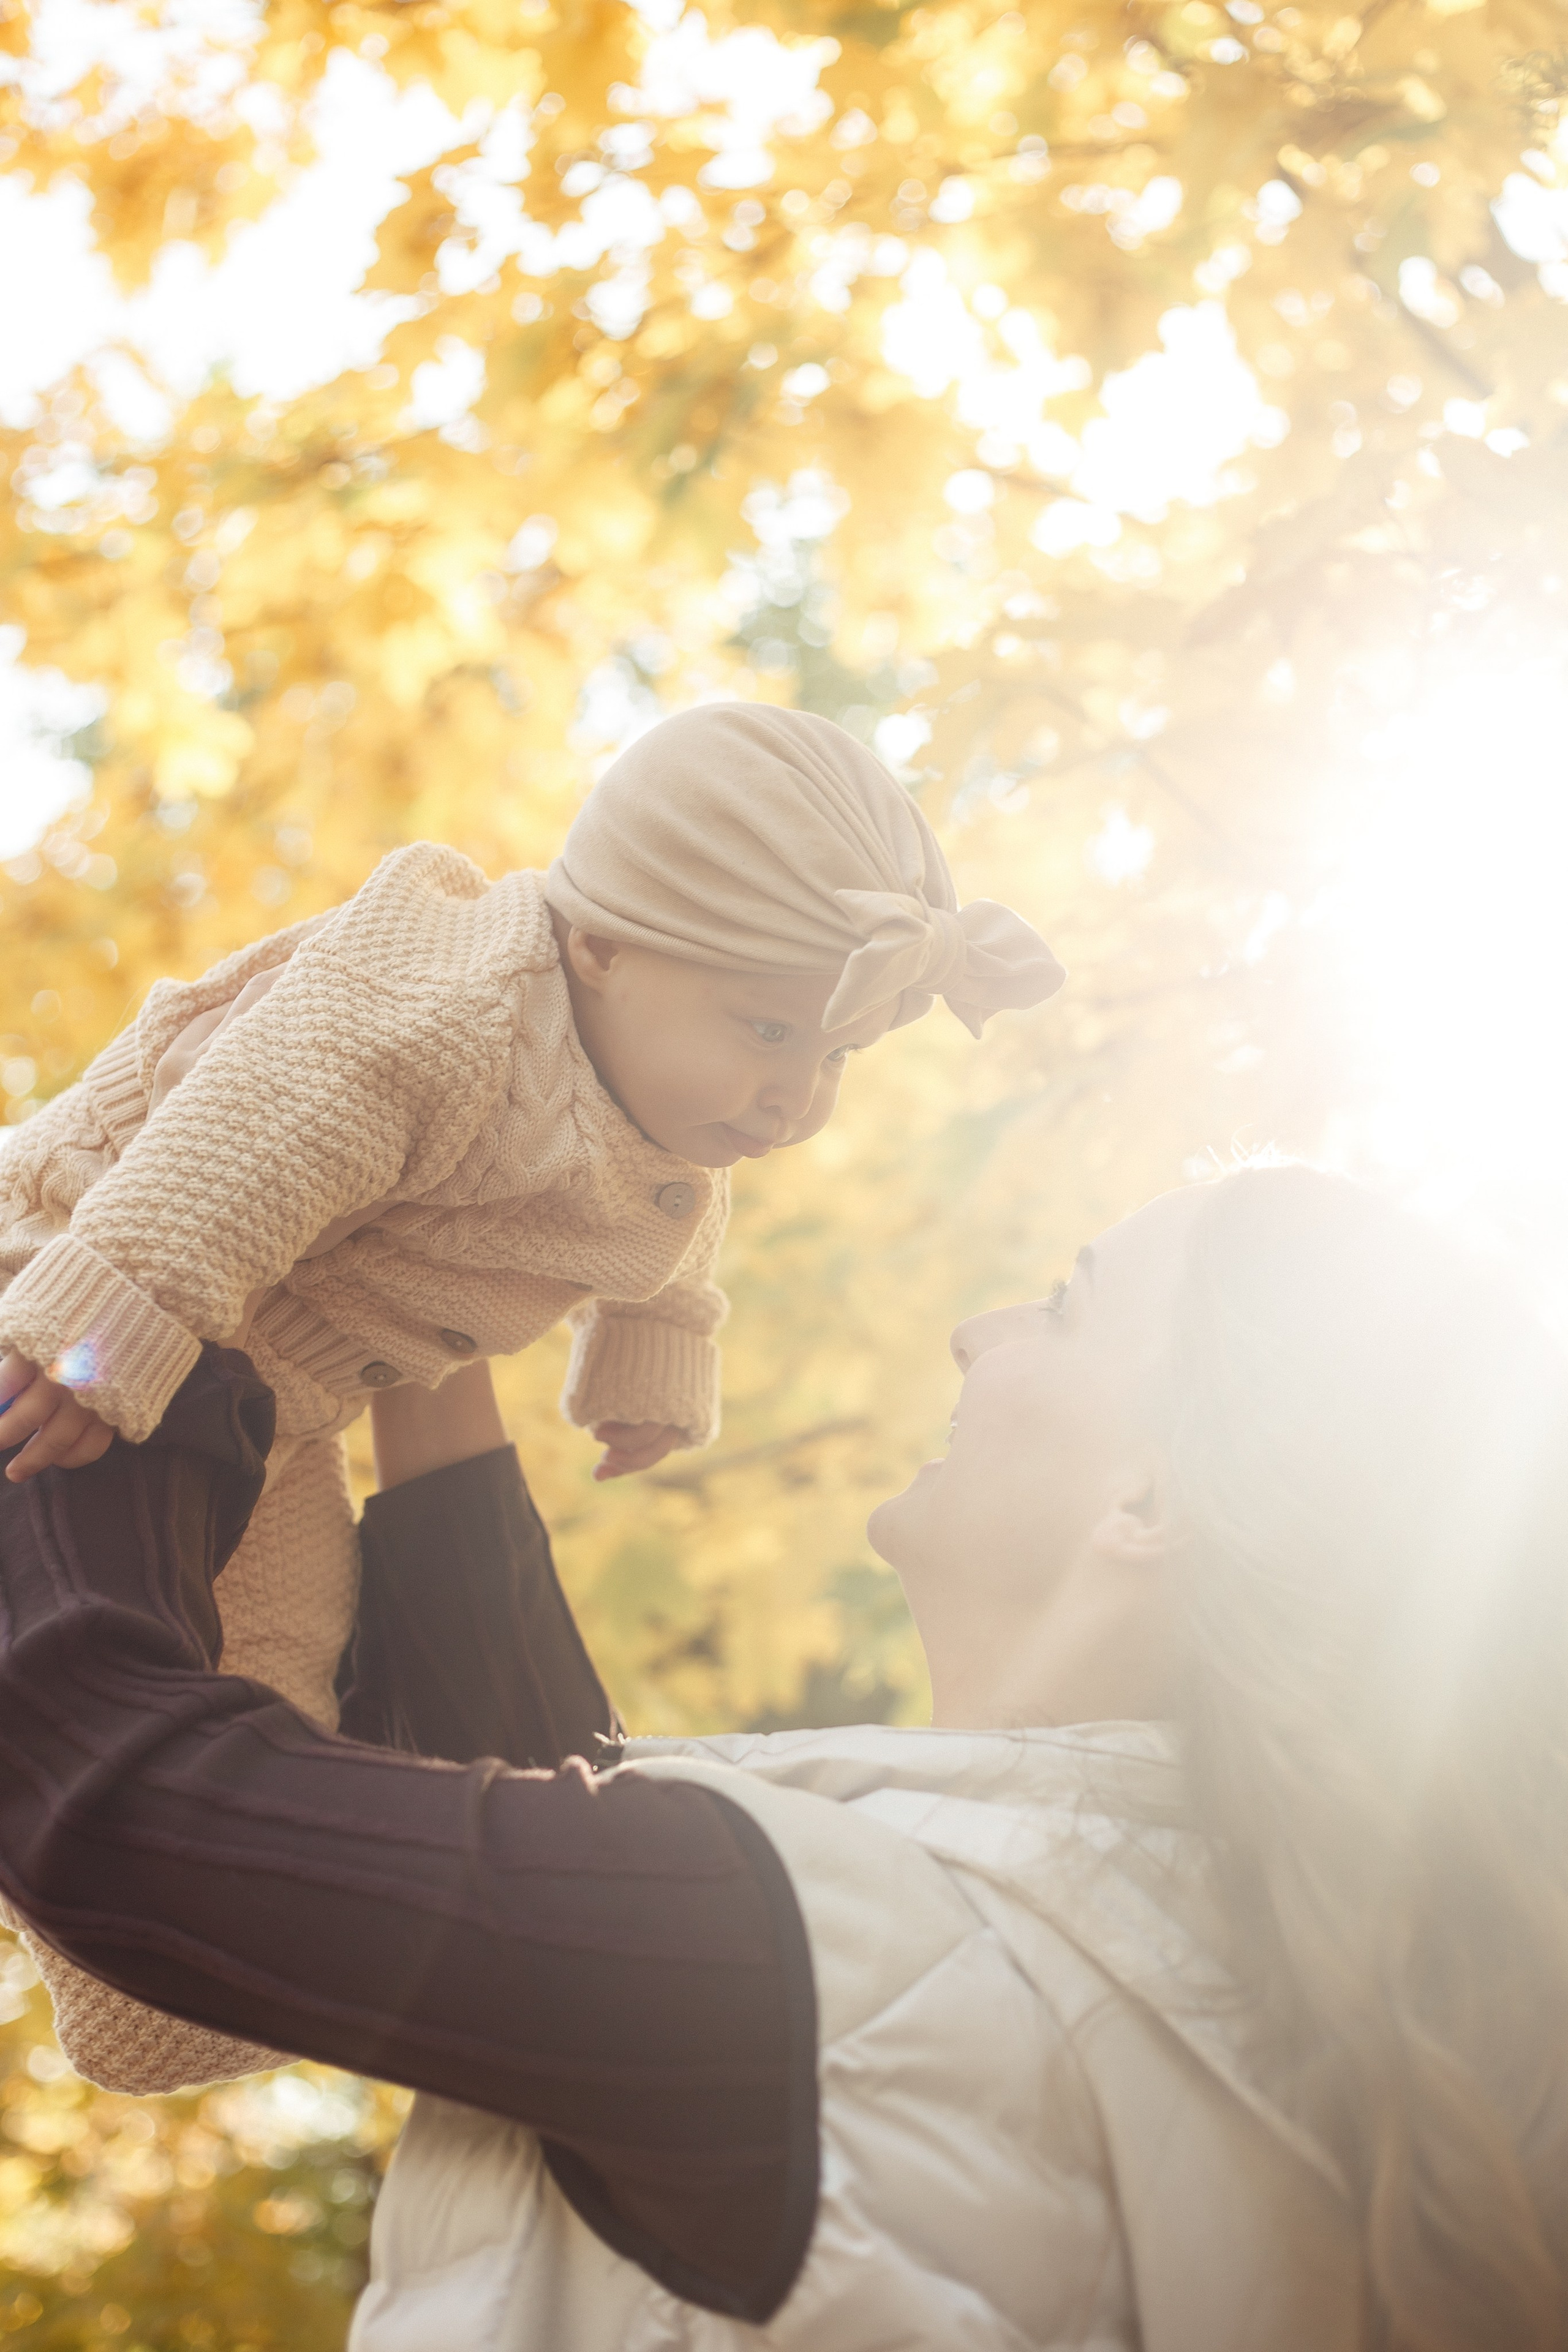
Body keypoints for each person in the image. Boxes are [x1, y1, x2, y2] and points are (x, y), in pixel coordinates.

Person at [0, 1162, 1564, 2351]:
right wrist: (431, 1330)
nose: (977, 1329)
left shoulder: (837, 1965)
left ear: (1149, 1503)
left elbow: (115, 1799)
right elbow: (580, 1847)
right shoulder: (1221, 2006)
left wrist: (116, 1317)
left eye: (1068, 1304)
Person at [0, 702, 1061, 2090]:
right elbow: (239, 1139)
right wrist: (97, 1336)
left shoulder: (669, 1104)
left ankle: (167, 1997)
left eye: (834, 1056)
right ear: (599, 942)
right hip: (90, 1296)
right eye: (768, 1029)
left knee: (280, 1693)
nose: (796, 1095)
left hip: (270, 1412)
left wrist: (649, 1366)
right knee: (87, 1636)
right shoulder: (444, 1013)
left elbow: (670, 1243)